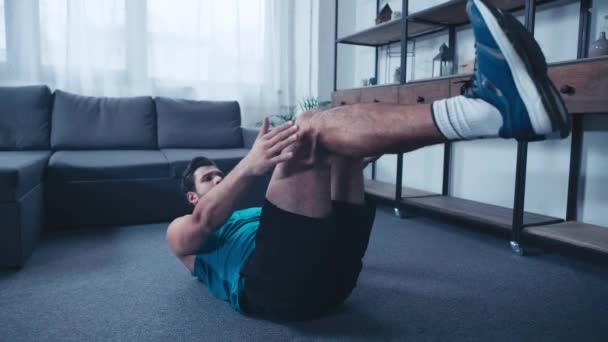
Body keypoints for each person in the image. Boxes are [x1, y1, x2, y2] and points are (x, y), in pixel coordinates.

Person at [166, 0, 571, 321]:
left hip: (336, 281)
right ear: (191, 197)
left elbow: (307, 223)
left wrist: (352, 159)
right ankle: (484, 111)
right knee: (308, 126)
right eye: (208, 179)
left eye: (219, 173)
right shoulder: (182, 235)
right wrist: (250, 165)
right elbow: (204, 224)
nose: (218, 179)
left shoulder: (256, 215)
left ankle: (489, 112)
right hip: (272, 292)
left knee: (339, 148)